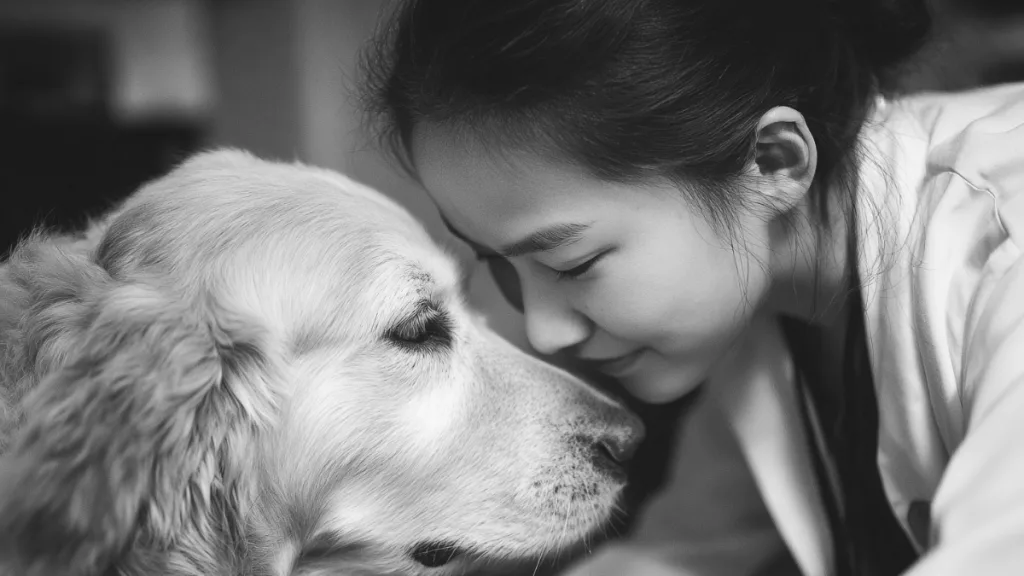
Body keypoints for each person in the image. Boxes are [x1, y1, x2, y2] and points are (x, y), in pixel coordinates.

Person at [360, 0, 1024, 574]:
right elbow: (684, 551)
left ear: (772, 162)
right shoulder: (760, 296)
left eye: (572, 263)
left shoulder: (1006, 245)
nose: (543, 331)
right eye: (497, 263)